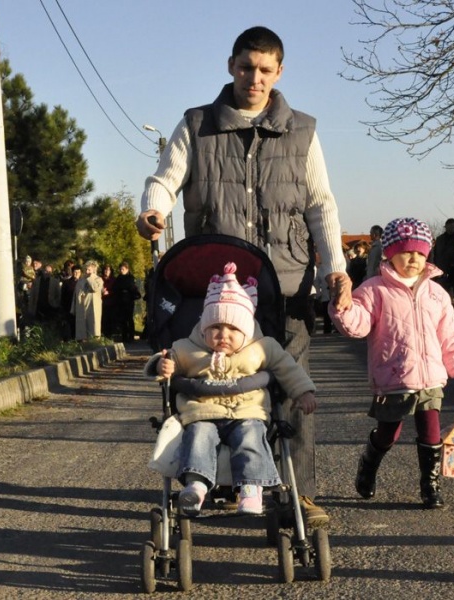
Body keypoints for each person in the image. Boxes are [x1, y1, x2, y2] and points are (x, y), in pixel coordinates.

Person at [136, 26, 351, 527]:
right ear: (230, 65)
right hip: (217, 289)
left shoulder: (302, 130)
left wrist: (335, 268)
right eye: (245, 66)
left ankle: (298, 495)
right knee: (213, 385)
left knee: (290, 392)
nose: (253, 78)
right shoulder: (196, 124)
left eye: (264, 69)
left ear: (278, 72)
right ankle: (219, 479)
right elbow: (165, 179)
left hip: (287, 283)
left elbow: (321, 205)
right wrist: (153, 210)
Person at [149, 262, 316, 516]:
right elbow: (165, 359)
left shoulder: (262, 347)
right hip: (202, 412)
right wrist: (163, 366)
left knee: (251, 437)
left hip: (247, 412)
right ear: (204, 328)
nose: (222, 335)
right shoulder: (187, 347)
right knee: (198, 437)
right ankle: (196, 485)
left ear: (246, 330)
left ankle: (251, 487)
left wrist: (303, 391)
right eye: (215, 327)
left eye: (233, 329)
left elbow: (287, 367)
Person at [329, 217, 454, 509]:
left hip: (431, 376)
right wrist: (343, 308)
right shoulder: (374, 290)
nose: (414, 259)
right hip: (394, 376)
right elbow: (359, 324)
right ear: (390, 253)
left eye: (421, 253)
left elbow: (450, 336)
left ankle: (429, 485)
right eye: (407, 252)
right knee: (388, 433)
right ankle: (369, 463)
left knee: (431, 431)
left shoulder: (436, 294)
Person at [71, 260, 103, 341]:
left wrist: (91, 277)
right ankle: (82, 342)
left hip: (93, 307)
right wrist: (73, 308)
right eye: (86, 269)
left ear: (94, 270)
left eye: (89, 270)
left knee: (93, 326)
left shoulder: (98, 279)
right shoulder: (81, 280)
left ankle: (94, 342)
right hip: (81, 306)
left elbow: (95, 288)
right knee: (82, 328)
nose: (87, 271)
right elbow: (75, 294)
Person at [112, 261, 141, 343]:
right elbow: (115, 288)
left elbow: (133, 289)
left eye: (123, 269)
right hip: (120, 301)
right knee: (122, 319)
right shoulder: (118, 278)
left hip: (128, 301)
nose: (121, 271)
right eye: (120, 269)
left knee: (129, 318)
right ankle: (124, 336)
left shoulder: (130, 278)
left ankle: (131, 335)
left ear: (127, 269)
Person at [432, 218, 454, 295]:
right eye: (452, 225)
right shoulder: (440, 239)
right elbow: (436, 255)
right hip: (441, 272)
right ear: (446, 226)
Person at [59, 261, 78, 341]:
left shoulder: (82, 282)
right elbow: (62, 296)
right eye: (68, 266)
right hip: (68, 305)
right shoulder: (66, 282)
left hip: (78, 306)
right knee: (68, 324)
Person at [100, 264, 117, 339]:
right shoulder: (100, 279)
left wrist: (109, 292)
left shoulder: (113, 280)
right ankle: (103, 334)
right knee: (103, 319)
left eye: (108, 270)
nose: (106, 271)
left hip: (111, 302)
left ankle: (110, 335)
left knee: (110, 319)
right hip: (102, 302)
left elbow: (116, 290)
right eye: (105, 270)